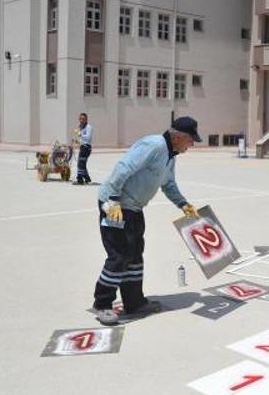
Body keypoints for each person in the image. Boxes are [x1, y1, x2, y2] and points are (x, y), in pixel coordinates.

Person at [92, 116, 202, 325]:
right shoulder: (154, 145)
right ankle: (103, 304)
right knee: (119, 254)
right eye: (191, 140)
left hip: (133, 208)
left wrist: (182, 203)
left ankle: (134, 302)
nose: (192, 144)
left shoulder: (171, 155)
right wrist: (113, 200)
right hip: (115, 205)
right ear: (178, 137)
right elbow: (123, 168)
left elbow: (168, 184)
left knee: (134, 255)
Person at [73, 113, 93, 185]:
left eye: (83, 119)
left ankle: (80, 179)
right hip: (82, 147)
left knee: (81, 163)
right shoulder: (80, 127)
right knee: (82, 164)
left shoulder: (88, 127)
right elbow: (80, 138)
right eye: (80, 119)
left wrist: (80, 134)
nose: (81, 120)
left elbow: (88, 137)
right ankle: (87, 179)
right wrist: (75, 141)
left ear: (86, 119)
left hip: (86, 147)